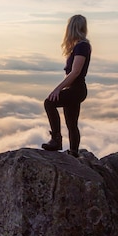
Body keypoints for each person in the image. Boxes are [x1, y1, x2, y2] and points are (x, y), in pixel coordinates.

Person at [42, 14, 91, 157]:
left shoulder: (82, 46)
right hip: (77, 90)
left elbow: (75, 72)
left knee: (49, 103)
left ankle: (56, 140)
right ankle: (74, 152)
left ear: (71, 28)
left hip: (76, 89)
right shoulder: (80, 46)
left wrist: (58, 89)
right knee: (71, 122)